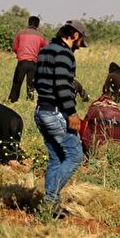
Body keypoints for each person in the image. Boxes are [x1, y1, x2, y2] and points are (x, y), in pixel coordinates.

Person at [33, 20, 87, 217]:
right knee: (74, 156)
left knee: (56, 158)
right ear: (74, 35)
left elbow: (36, 80)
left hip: (41, 110)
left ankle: (51, 206)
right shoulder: (64, 53)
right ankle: (49, 201)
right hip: (55, 112)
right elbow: (62, 85)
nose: (79, 46)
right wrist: (72, 112)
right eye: (80, 40)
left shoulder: (46, 50)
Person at [8, 15, 48, 103]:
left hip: (22, 62)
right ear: (37, 25)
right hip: (34, 63)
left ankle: (12, 100)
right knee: (31, 84)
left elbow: (14, 47)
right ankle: (29, 101)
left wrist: (19, 54)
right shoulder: (40, 36)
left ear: (28, 23)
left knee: (17, 83)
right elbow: (46, 48)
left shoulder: (20, 33)